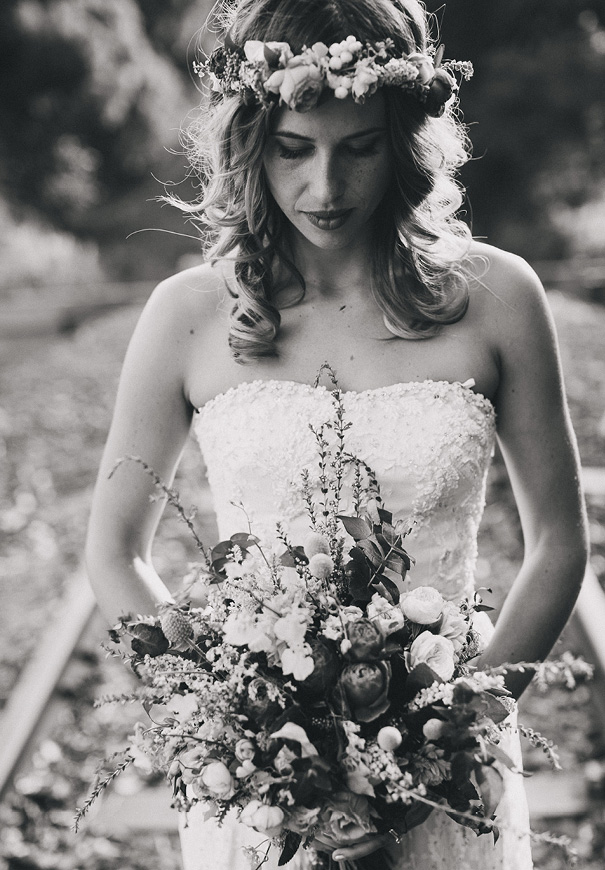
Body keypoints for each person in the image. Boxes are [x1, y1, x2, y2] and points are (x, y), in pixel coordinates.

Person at [85, 0, 588, 868]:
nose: (326, 188)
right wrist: (221, 720)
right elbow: (113, 549)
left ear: (402, 139)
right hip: (260, 786)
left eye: (358, 147)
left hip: (448, 774)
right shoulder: (186, 315)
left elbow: (558, 543)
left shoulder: (500, 297)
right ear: (251, 142)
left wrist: (459, 727)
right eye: (292, 149)